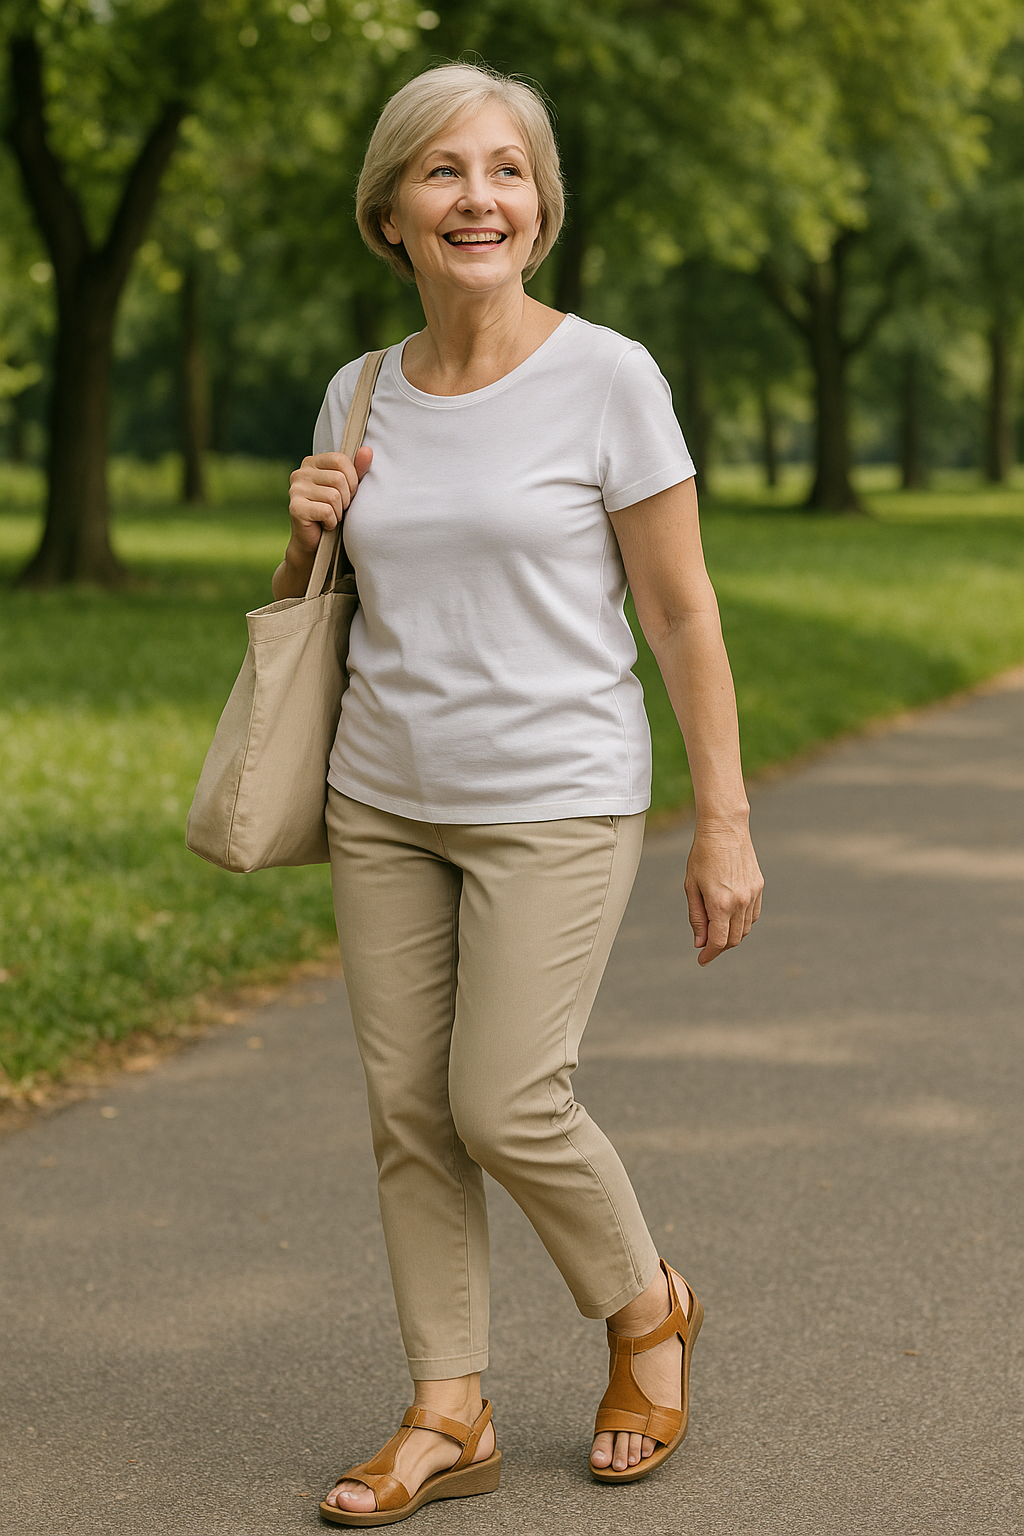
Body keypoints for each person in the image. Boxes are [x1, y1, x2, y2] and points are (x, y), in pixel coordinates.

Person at [272, 61, 763, 1528]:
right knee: (410, 1112)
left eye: (505, 171)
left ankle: (645, 1306)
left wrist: (723, 817)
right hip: (382, 794)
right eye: (441, 171)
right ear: (390, 213)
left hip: (557, 794)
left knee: (504, 1098)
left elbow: (681, 614)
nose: (475, 197)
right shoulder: (361, 390)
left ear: (539, 210)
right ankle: (449, 1408)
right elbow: (320, 614)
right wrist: (299, 541)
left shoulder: (608, 376)